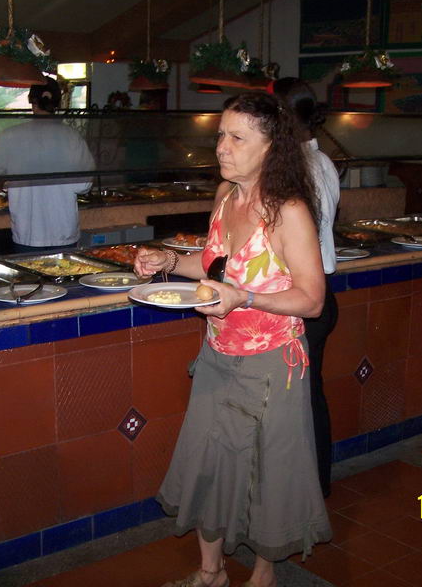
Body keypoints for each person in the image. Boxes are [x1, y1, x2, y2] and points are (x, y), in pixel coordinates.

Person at [135, 92, 331, 587]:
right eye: (221, 135)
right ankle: (211, 573)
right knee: (209, 461)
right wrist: (166, 260)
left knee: (267, 472)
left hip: (271, 365)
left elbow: (312, 300)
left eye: (237, 138)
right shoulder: (225, 196)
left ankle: (263, 575)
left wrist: (245, 297)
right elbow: (213, 266)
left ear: (270, 147)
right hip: (217, 355)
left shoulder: (288, 212)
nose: (222, 147)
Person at [272, 77, 340, 498]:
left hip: (302, 299)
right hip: (321, 294)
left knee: (300, 400)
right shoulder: (324, 162)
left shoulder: (294, 169)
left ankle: (306, 491)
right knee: (310, 395)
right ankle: (315, 485)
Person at [0, 76, 95, 251]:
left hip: (27, 234)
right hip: (63, 233)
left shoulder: (11, 136)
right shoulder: (72, 137)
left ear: (33, 102)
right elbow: (84, 185)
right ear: (57, 103)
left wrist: (6, 182)